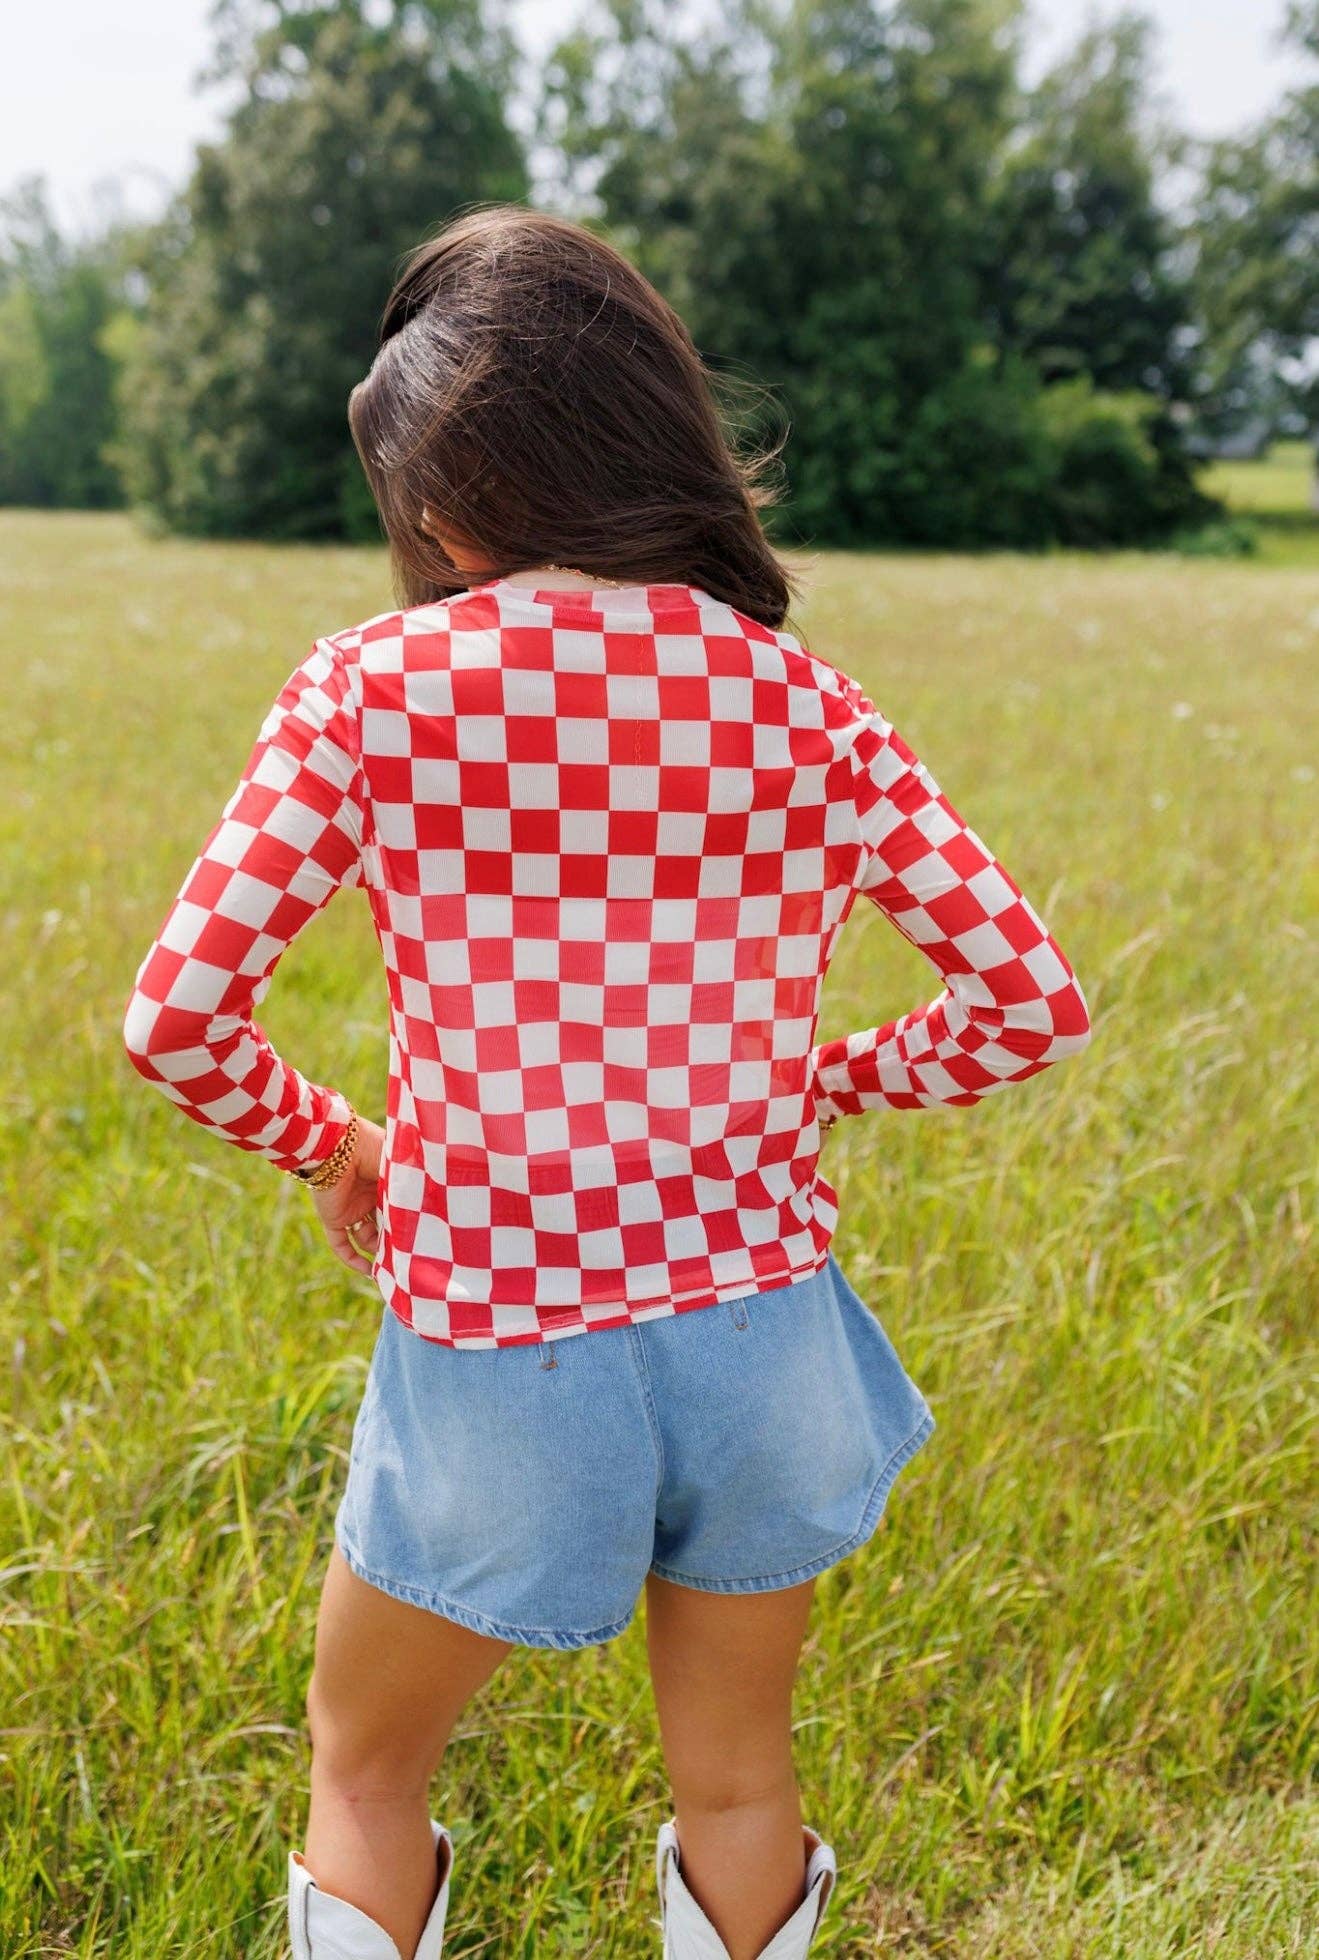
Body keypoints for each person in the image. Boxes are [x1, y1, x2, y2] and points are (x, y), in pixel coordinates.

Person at [120, 204, 1093, 1960]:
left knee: (364, 1762)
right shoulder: (809, 706)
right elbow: (1029, 1002)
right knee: (737, 1776)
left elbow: (180, 1017)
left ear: (442, 498)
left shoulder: (370, 692)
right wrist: (824, 1081)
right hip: (763, 1336)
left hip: (505, 1341)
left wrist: (338, 1144)